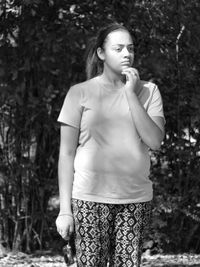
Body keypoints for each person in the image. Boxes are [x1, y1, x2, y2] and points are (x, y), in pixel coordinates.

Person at [56, 22, 165, 267]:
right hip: (89, 199)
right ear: (101, 53)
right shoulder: (79, 93)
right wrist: (65, 211)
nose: (127, 54)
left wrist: (130, 94)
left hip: (134, 200)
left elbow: (155, 141)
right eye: (118, 48)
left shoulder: (149, 91)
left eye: (131, 48)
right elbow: (66, 154)